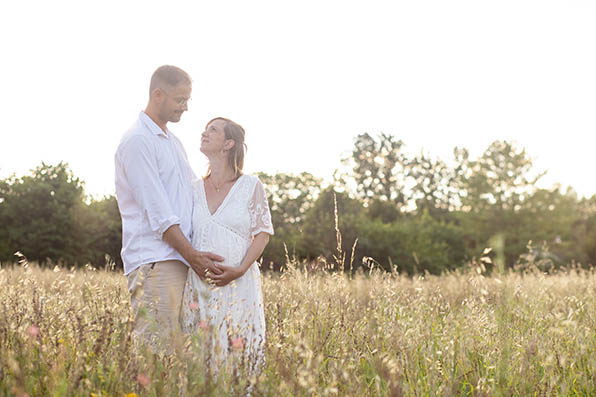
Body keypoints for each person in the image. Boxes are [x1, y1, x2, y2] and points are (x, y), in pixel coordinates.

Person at [115, 65, 223, 349]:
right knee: (156, 353)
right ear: (158, 95)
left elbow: (194, 194)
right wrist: (194, 256)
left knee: (177, 355)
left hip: (178, 259)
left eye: (187, 100)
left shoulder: (173, 142)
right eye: (180, 100)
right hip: (155, 261)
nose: (185, 108)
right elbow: (159, 214)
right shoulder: (138, 141)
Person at [181, 117, 274, 376]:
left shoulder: (251, 185)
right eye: (205, 128)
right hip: (201, 286)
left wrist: (239, 269)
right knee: (202, 361)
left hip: (239, 284)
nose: (204, 132)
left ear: (228, 143)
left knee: (239, 359)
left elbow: (263, 233)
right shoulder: (193, 188)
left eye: (213, 129)